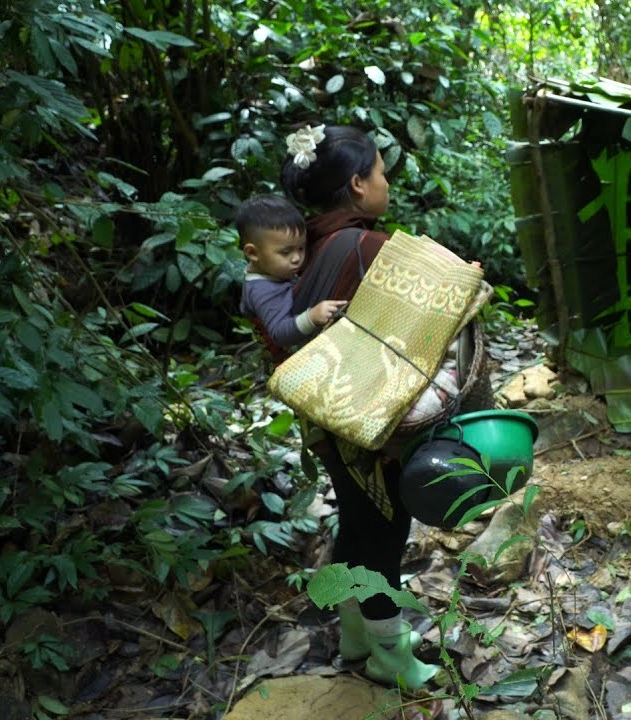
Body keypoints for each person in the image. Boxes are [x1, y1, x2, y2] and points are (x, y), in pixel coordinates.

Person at [280, 124, 441, 689]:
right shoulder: (369, 247)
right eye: (380, 172)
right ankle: (392, 657)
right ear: (356, 183)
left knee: (357, 522)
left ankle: (354, 635)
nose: (387, 182)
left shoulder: (312, 244)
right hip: (363, 418)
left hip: (324, 417)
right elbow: (433, 316)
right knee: (385, 533)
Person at [236, 194, 347, 357]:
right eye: (286, 252)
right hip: (288, 363)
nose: (296, 258)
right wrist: (311, 317)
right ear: (252, 253)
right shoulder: (261, 290)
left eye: (301, 248)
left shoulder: (273, 271)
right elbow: (280, 335)